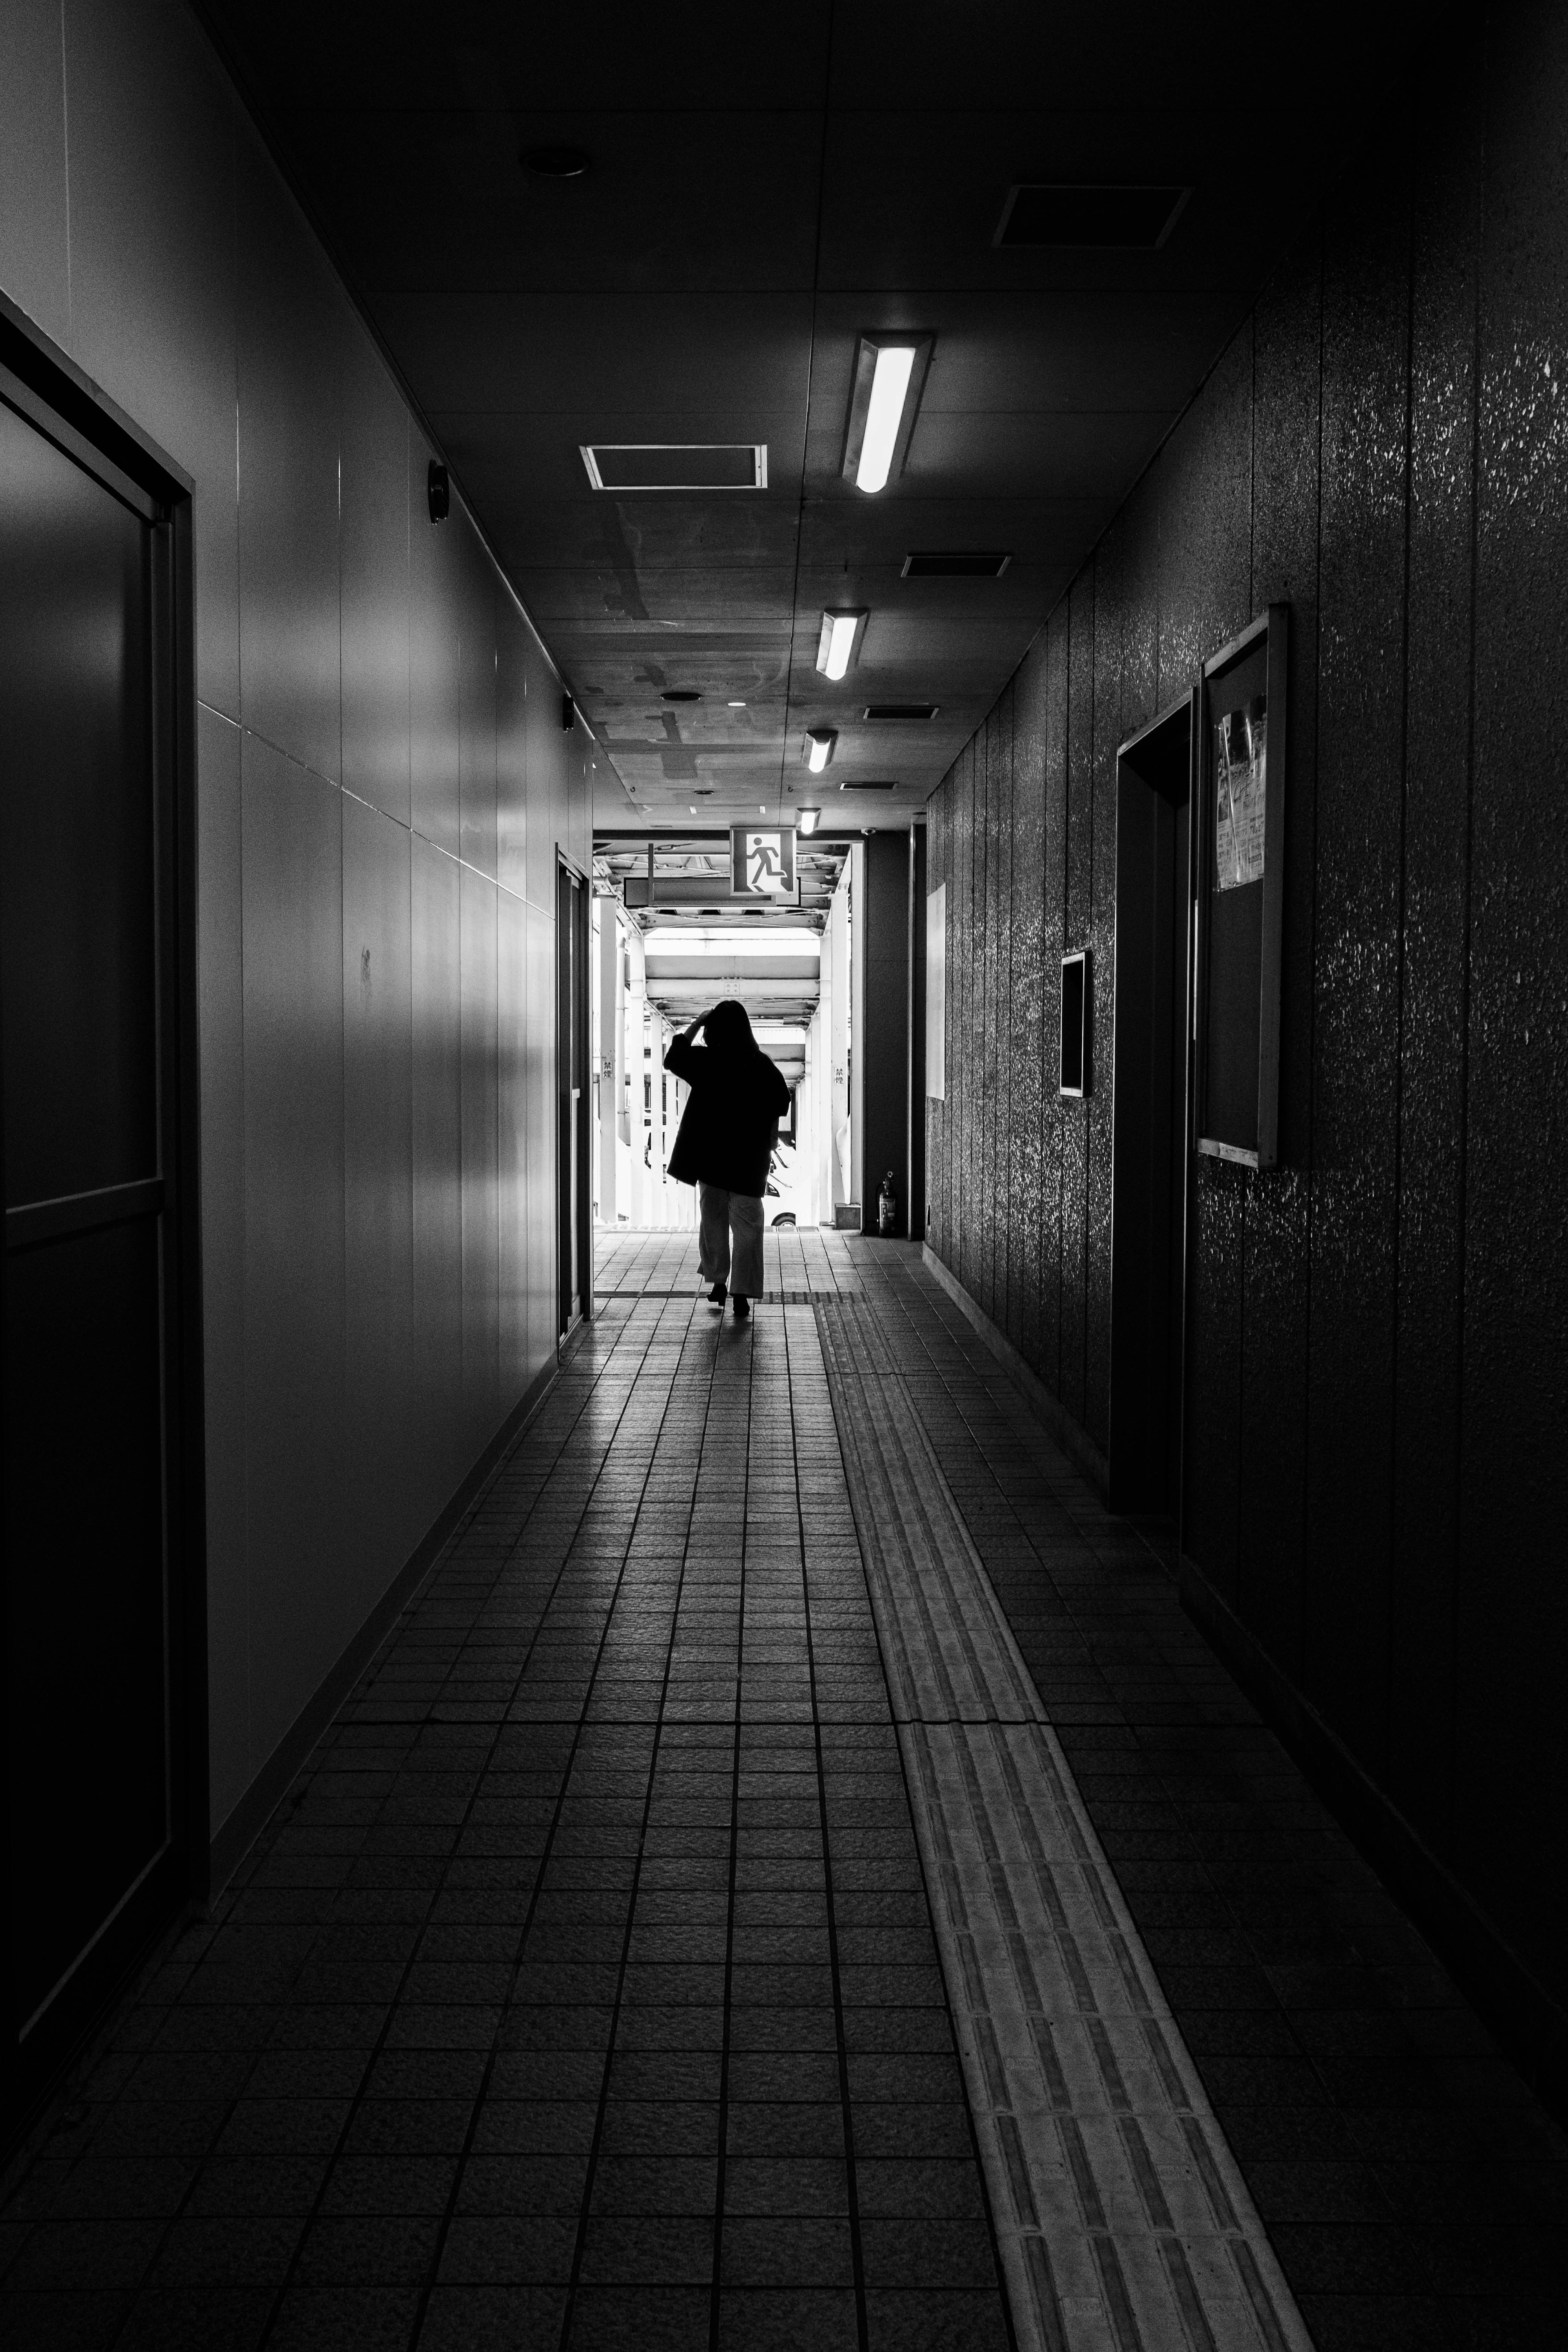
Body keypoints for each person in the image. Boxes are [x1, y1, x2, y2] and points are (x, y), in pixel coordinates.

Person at [665, 1000, 791, 1320]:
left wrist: (697, 1022)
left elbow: (674, 1058)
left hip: (712, 1163)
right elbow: (782, 1101)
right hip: (749, 1167)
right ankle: (742, 1293)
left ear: (715, 1030)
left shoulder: (709, 1061)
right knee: (748, 1231)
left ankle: (719, 1281)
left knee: (714, 1225)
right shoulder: (762, 1065)